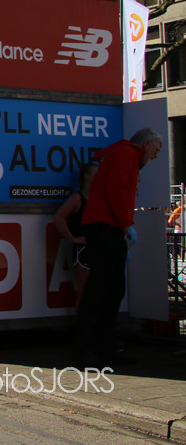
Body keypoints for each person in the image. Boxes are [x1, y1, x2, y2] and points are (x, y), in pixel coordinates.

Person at [74, 127, 163, 366]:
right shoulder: (125, 154)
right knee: (99, 289)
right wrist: (127, 225)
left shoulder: (126, 156)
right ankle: (85, 349)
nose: (156, 155)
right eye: (156, 149)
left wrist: (124, 228)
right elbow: (115, 190)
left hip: (109, 226)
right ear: (146, 144)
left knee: (113, 290)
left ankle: (104, 345)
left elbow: (118, 191)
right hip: (105, 225)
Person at [53, 162, 98, 307]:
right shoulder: (77, 198)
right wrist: (72, 238)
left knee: (99, 292)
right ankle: (82, 321)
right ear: (87, 176)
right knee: (85, 293)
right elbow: (59, 218)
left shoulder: (100, 199)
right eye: (96, 173)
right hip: (83, 252)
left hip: (99, 250)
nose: (100, 176)